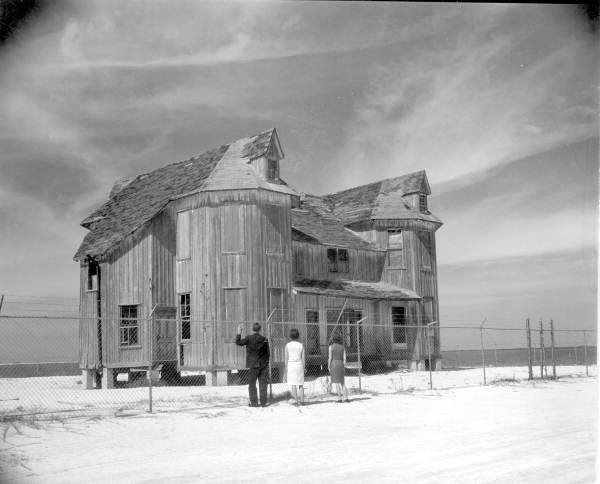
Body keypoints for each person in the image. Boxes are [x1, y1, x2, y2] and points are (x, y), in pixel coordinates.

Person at [236, 322, 270, 407]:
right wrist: (266, 362)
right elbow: (268, 353)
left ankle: (254, 403)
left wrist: (239, 333)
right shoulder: (264, 339)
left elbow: (238, 342)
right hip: (263, 365)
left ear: (252, 329)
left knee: (252, 385)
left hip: (252, 364)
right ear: (260, 329)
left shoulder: (249, 338)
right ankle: (263, 402)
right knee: (263, 384)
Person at [284, 328, 305, 405]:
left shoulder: (287, 345)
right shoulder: (301, 345)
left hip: (291, 365)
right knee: (300, 384)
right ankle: (302, 401)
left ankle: (296, 401)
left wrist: (286, 368)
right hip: (299, 364)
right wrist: (304, 367)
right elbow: (303, 358)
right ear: (298, 336)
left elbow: (286, 358)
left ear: (290, 336)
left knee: (293, 384)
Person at [328, 331, 349, 403]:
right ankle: (346, 398)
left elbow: (330, 358)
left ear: (333, 339)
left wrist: (328, 366)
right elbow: (345, 358)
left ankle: (339, 398)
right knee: (342, 382)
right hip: (341, 363)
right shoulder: (343, 347)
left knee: (337, 382)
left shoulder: (331, 347)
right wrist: (344, 366)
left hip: (334, 363)